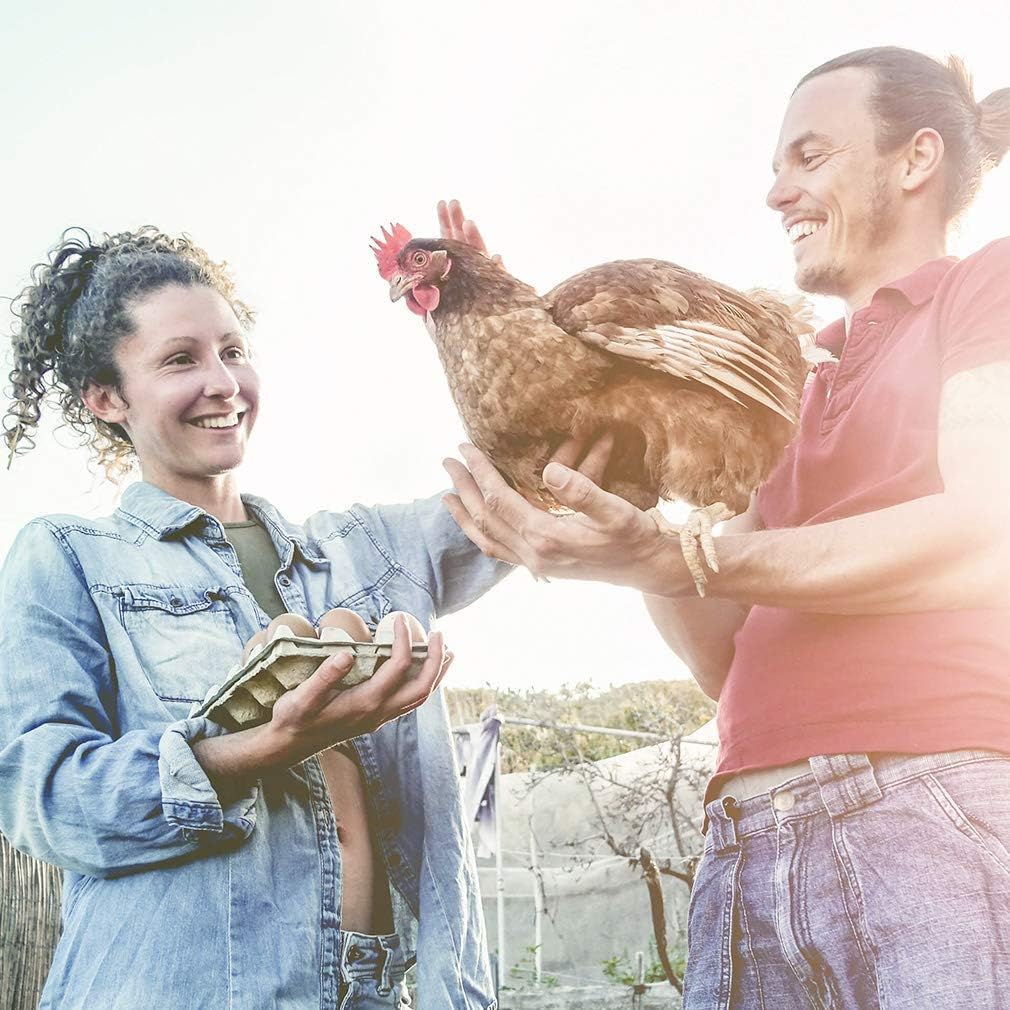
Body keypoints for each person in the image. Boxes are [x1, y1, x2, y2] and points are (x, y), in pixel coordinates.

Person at [441, 48, 1010, 1009]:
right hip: (745, 832)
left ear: (915, 162)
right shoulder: (787, 374)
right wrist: (628, 526)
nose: (776, 192)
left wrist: (690, 553)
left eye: (810, 157)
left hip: (929, 801)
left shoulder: (982, 289)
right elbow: (724, 650)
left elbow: (987, 531)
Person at [0, 225, 511, 1009]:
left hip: (374, 988)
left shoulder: (367, 551)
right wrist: (253, 749)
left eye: (233, 351)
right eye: (180, 360)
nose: (223, 382)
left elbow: (534, 487)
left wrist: (495, 289)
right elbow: (48, 804)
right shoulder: (69, 558)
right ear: (105, 399)